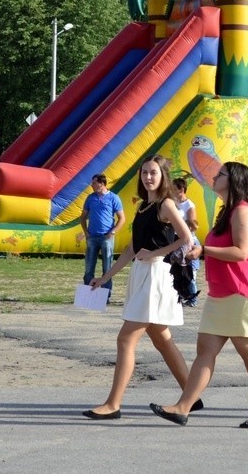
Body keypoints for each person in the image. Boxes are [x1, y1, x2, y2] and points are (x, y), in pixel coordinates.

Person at [150, 162, 248, 429]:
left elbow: (241, 252)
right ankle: (182, 408)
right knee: (205, 352)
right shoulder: (227, 211)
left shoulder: (243, 212)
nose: (214, 177)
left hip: (242, 291)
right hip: (221, 292)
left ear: (233, 180)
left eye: (220, 174)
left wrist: (204, 251)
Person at [83, 155, 196, 420]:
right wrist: (104, 277)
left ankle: (113, 404)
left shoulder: (166, 204)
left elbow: (186, 239)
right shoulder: (144, 205)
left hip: (157, 275)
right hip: (142, 273)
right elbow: (132, 248)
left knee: (126, 339)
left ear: (162, 176)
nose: (148, 177)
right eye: (144, 172)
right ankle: (192, 395)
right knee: (162, 339)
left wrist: (157, 252)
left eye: (153, 173)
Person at [80, 173, 126, 300]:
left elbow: (122, 218)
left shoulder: (113, 198)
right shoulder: (90, 198)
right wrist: (86, 232)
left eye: (94, 182)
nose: (92, 185)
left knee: (107, 267)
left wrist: (113, 232)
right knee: (89, 267)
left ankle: (105, 296)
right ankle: (88, 295)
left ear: (102, 183)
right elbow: (83, 217)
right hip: (92, 237)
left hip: (106, 237)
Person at [173, 178, 200, 307]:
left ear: (181, 190)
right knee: (177, 269)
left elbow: (194, 225)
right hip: (175, 239)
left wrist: (183, 224)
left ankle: (192, 298)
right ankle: (180, 295)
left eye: (174, 189)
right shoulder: (172, 203)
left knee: (190, 270)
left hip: (187, 240)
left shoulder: (189, 205)